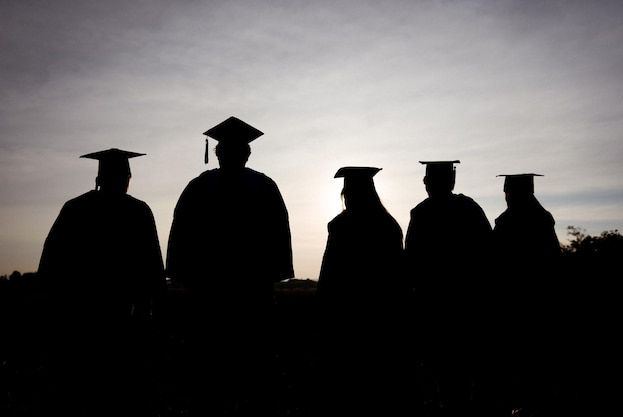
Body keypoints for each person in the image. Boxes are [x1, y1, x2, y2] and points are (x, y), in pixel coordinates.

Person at [166, 116, 294, 416]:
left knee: (212, 364)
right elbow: (279, 236)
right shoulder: (264, 186)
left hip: (210, 292)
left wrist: (185, 276)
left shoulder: (199, 186)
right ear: (247, 153)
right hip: (251, 291)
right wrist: (272, 277)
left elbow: (181, 234)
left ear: (220, 153)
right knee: (252, 363)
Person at [37, 148, 167, 416]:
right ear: (127, 178)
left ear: (99, 178)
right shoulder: (138, 211)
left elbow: (50, 263)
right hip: (122, 316)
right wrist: (154, 309)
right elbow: (153, 268)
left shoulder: (75, 209)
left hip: (78, 318)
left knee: (82, 391)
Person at [404, 160, 494, 416]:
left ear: (427, 183)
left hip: (435, 301)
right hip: (470, 300)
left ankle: (451, 407)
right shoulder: (470, 208)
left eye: (427, 179)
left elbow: (410, 260)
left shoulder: (421, 213)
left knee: (443, 362)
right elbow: (489, 251)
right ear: (452, 181)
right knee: (469, 361)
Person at [315, 166, 407, 416]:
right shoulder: (389, 226)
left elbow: (329, 275)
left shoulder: (341, 226)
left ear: (348, 193)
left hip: (347, 317)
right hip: (382, 317)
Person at [492, 173, 563, 415]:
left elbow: (497, 262)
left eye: (507, 193)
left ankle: (528, 404)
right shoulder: (544, 219)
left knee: (522, 354)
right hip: (543, 298)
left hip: (517, 300)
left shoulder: (508, 221)